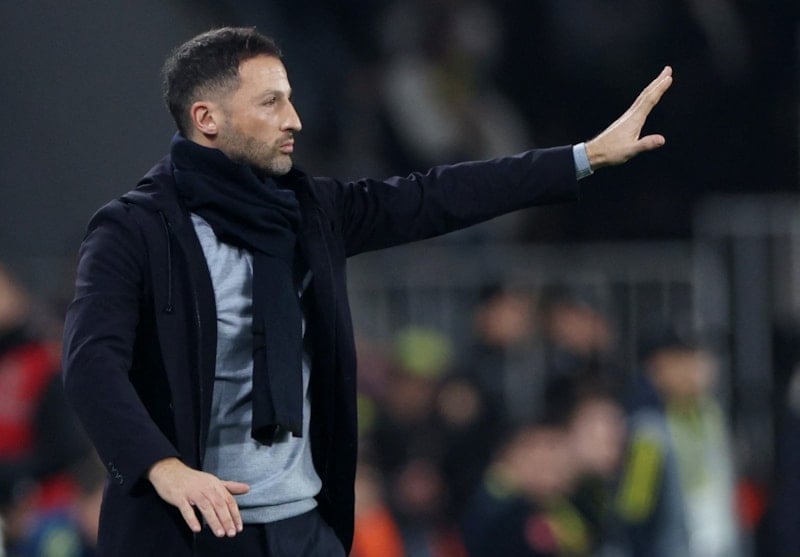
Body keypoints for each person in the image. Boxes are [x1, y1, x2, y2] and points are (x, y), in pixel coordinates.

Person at [61, 26, 672, 557]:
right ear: (207, 119)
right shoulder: (135, 230)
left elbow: (438, 196)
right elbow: (91, 363)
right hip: (189, 530)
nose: (294, 119)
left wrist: (583, 157)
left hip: (303, 531)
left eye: (290, 98)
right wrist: (162, 467)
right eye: (271, 102)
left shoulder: (310, 211)